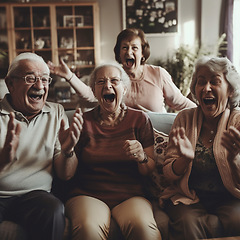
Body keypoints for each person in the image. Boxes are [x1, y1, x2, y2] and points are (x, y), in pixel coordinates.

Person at [63, 62, 162, 240]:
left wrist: (142, 157)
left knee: (144, 230)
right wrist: (68, 149)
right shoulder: (82, 122)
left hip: (130, 195)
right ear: (94, 91)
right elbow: (67, 174)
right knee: (88, 229)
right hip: (88, 194)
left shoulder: (139, 119)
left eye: (114, 81)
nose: (107, 85)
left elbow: (149, 169)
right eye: (101, 82)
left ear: (124, 89)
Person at [0, 52, 83, 240]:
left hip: (35, 196)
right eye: (30, 78)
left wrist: (68, 150)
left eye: (45, 79)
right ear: (10, 83)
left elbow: (66, 174)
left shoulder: (56, 112)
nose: (39, 86)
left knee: (53, 210)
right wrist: (2, 161)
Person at [160, 56, 240, 240]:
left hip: (229, 197)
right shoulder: (184, 119)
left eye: (215, 82)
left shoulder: (237, 122)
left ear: (230, 90)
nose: (206, 88)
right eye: (201, 82)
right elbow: (168, 173)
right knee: (187, 223)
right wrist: (184, 160)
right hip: (189, 197)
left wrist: (235, 160)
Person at [47, 28, 196, 113]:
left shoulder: (158, 74)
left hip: (156, 137)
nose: (129, 52)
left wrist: (206, 115)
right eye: (124, 47)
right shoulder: (114, 76)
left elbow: (181, 103)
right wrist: (69, 76)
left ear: (143, 53)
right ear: (118, 53)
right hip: (125, 139)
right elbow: (91, 95)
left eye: (134, 48)